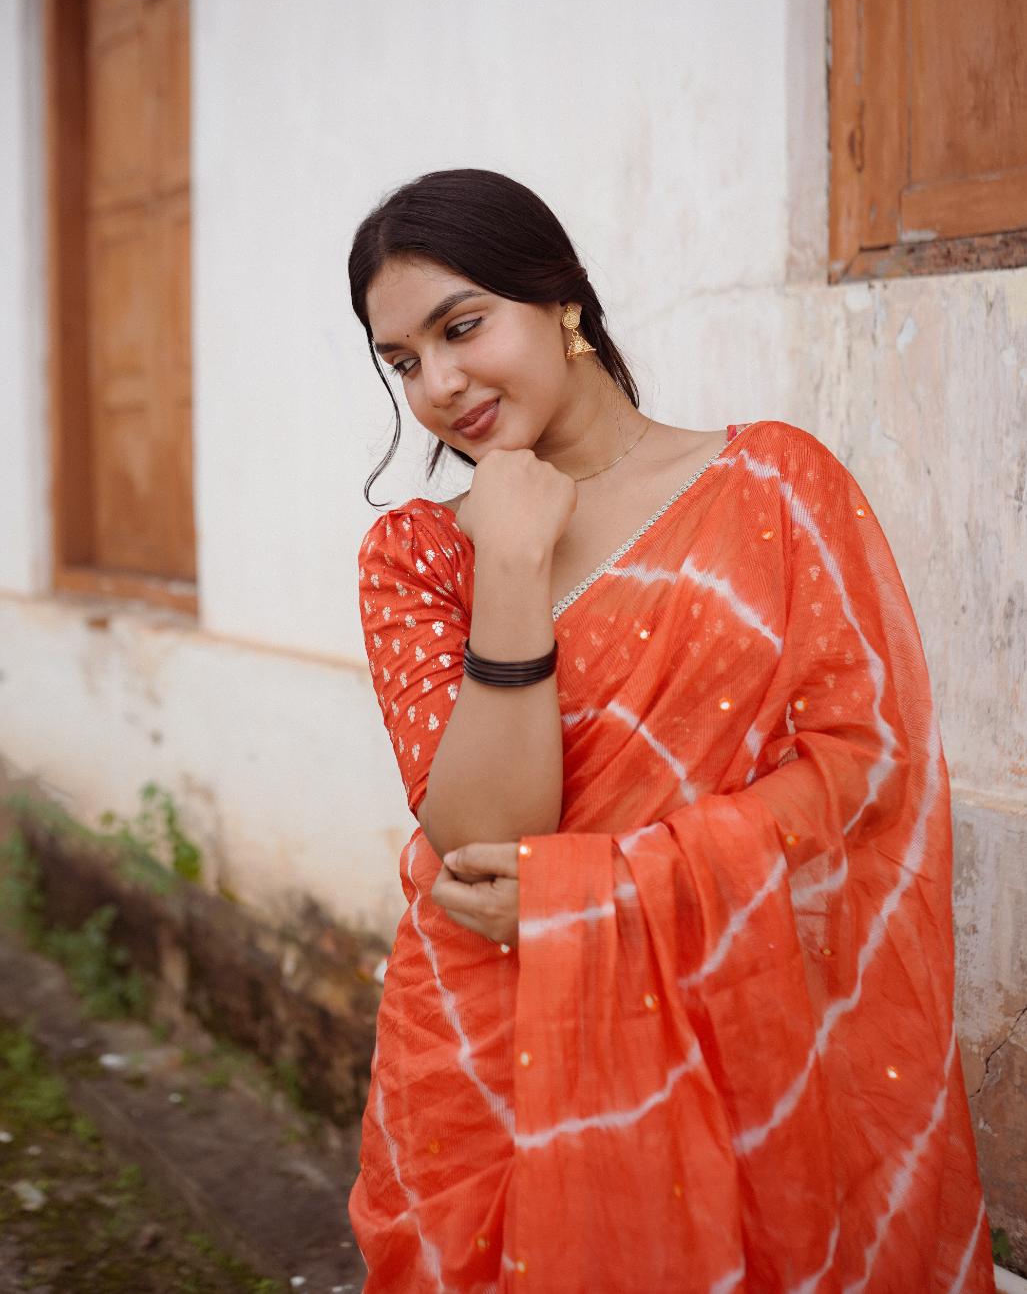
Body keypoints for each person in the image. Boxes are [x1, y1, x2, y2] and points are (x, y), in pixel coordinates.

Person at [346, 168, 993, 1293]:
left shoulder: (775, 488)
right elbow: (483, 828)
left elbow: (864, 771)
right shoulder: (418, 555)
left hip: (737, 1039)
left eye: (461, 326)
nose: (439, 384)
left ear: (562, 303)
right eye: (401, 360)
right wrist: (506, 561)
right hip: (491, 1044)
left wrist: (606, 889)